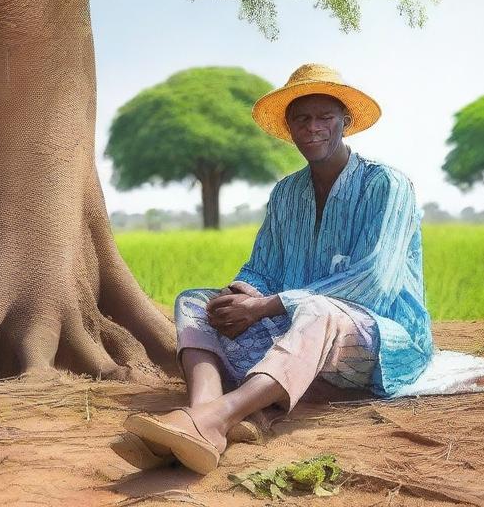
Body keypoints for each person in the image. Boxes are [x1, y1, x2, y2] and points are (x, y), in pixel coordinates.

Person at [118, 63, 435, 475]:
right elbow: (261, 268)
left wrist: (266, 306)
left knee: (318, 311)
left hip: (380, 338)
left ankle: (217, 416)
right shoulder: (286, 193)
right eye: (302, 119)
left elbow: (374, 281)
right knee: (195, 301)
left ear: (346, 121)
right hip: (296, 330)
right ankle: (202, 419)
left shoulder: (387, 185)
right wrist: (240, 294)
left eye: (325, 117)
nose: (313, 128)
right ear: (289, 127)